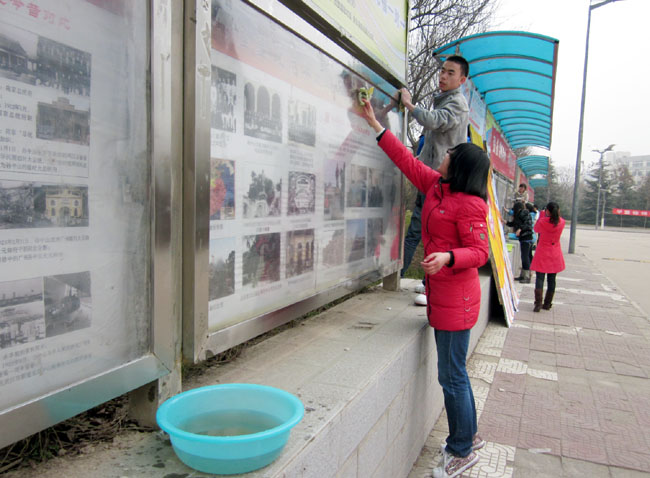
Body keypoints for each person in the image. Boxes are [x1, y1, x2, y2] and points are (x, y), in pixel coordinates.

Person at [360, 98, 489, 478]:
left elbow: (480, 252)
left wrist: (448, 257)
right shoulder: (436, 186)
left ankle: (461, 450)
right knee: (455, 374)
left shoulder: (470, 205)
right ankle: (470, 435)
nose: (444, 155)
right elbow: (405, 160)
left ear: (460, 166)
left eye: (451, 154)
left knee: (452, 376)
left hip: (457, 301)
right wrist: (376, 125)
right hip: (442, 298)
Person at [398, 55, 470, 305]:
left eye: (450, 73)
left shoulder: (457, 104)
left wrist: (409, 105)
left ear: (462, 80)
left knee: (430, 232)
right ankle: (420, 280)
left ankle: (426, 285)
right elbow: (430, 146)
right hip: (430, 179)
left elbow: (434, 121)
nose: (443, 76)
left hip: (441, 183)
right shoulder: (444, 100)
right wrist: (415, 161)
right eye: (442, 71)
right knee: (420, 230)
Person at [530, 202, 565, 311]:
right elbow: (556, 220)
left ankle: (538, 304)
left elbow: (536, 229)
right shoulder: (562, 222)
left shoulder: (543, 221)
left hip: (543, 252)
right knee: (552, 279)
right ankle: (547, 303)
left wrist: (541, 215)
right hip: (555, 252)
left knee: (540, 278)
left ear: (547, 211)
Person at [507, 202, 534, 283]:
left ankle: (526, 277)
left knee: (525, 257)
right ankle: (522, 275)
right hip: (523, 238)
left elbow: (528, 224)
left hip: (527, 238)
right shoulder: (519, 215)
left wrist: (520, 229)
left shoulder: (524, 213)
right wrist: (505, 222)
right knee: (524, 257)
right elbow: (513, 224)